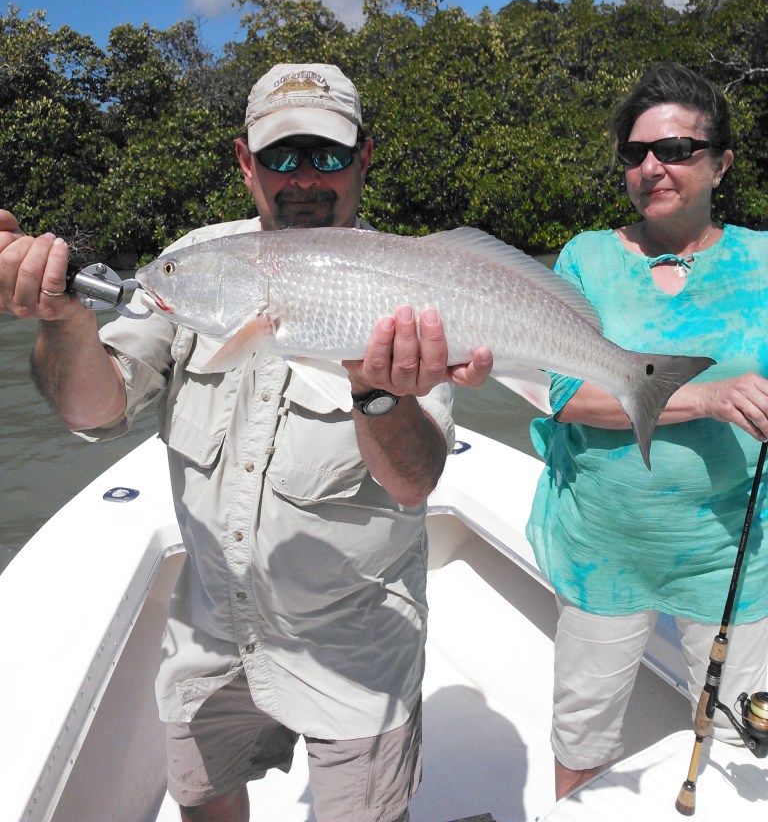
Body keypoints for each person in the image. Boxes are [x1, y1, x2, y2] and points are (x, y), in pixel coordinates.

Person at [0, 62, 493, 822]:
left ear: (363, 158)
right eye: (280, 156)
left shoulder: (405, 281)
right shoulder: (191, 264)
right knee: (203, 804)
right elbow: (96, 410)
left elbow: (413, 483)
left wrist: (376, 389)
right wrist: (63, 320)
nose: (304, 178)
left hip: (354, 650)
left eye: (327, 155)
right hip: (210, 635)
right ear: (244, 163)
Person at [525, 62, 768, 799]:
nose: (652, 167)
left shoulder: (764, 261)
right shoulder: (585, 259)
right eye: (636, 154)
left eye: (677, 150)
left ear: (721, 162)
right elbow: (561, 395)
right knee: (584, 735)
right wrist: (706, 397)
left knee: (742, 744)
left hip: (733, 558)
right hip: (604, 550)